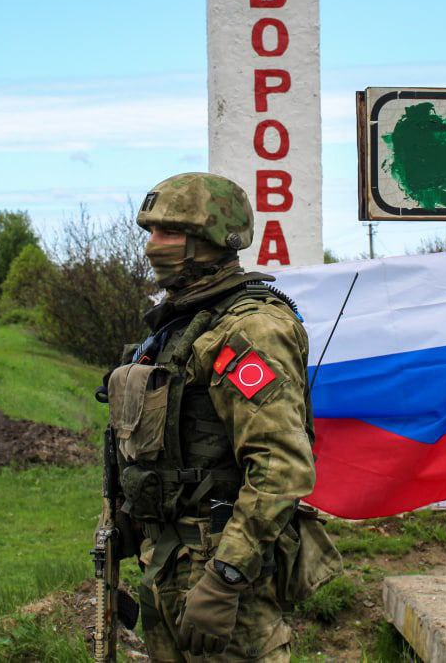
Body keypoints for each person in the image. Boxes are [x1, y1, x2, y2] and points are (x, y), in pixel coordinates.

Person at [103, 172, 336, 661]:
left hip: (223, 581)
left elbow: (281, 468)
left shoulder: (250, 329)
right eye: (149, 232)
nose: (151, 246)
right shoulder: (179, 324)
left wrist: (227, 577)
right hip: (168, 564)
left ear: (209, 240)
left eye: (168, 233)